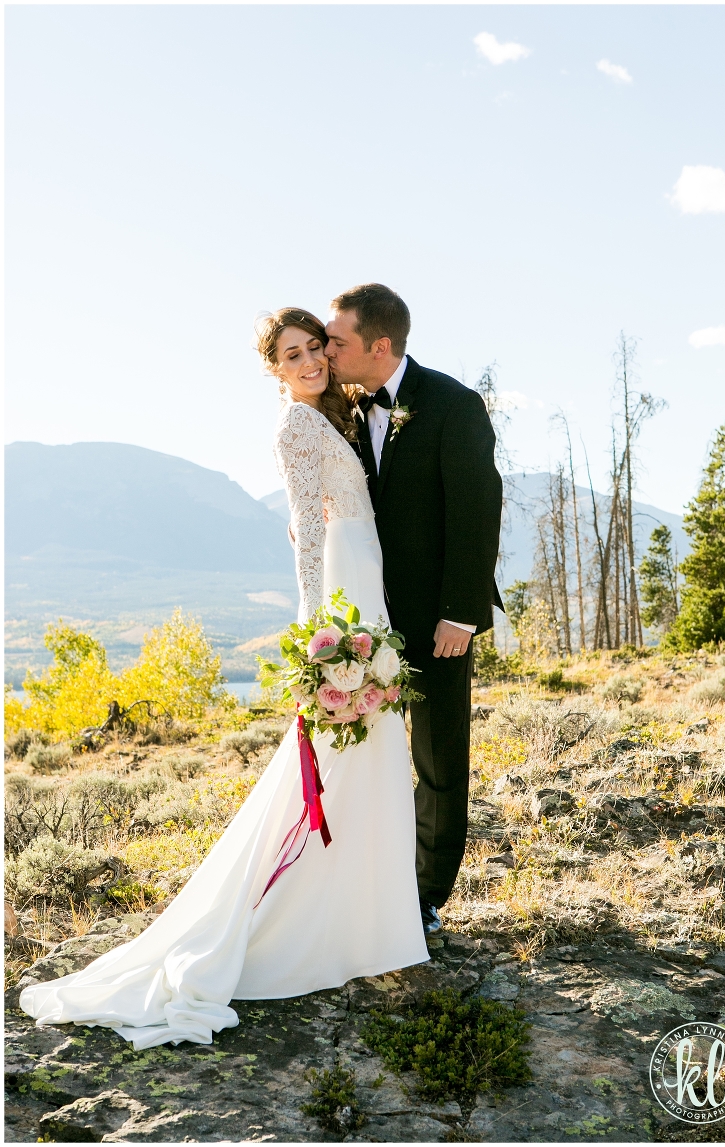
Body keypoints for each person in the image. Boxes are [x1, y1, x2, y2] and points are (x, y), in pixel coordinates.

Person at [19, 307, 429, 1050]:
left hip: (366, 579)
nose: (308, 362)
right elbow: (307, 527)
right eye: (292, 355)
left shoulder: (333, 411)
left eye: (314, 349)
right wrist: (316, 632)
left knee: (367, 756)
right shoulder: (296, 426)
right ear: (272, 369)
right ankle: (323, 925)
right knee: (341, 753)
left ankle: (368, 922)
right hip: (342, 591)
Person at [325, 284, 503, 935]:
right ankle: (363, 876)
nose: (327, 349)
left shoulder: (453, 406)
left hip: (436, 619)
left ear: (379, 346)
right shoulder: (338, 408)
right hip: (361, 620)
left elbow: (476, 511)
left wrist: (461, 611)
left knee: (437, 756)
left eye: (337, 340)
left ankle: (426, 895)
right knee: (362, 755)